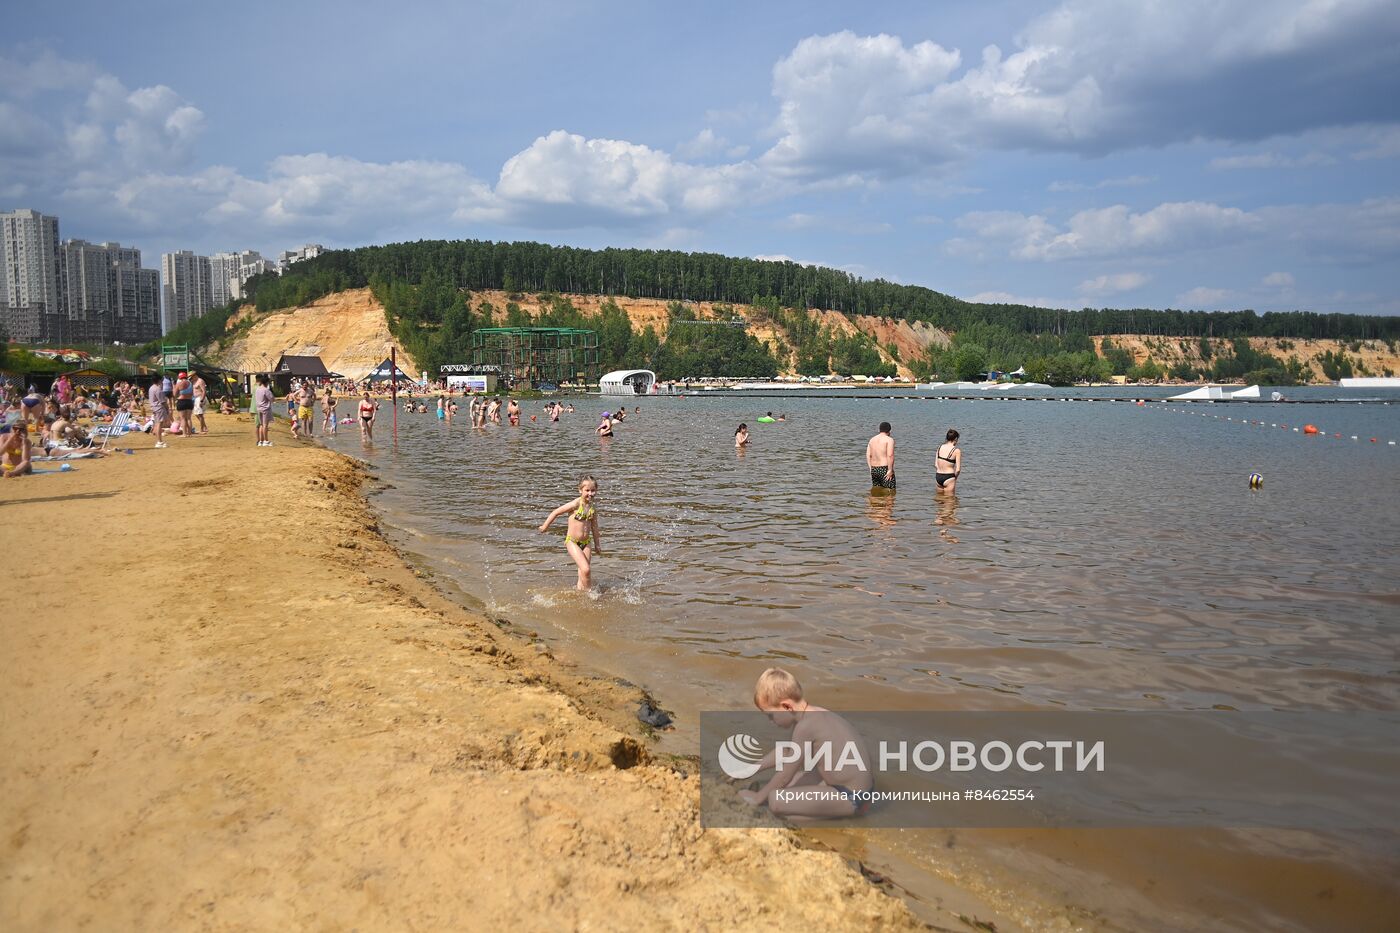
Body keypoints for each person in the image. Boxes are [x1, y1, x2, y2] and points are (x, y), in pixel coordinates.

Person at [737, 668, 873, 819]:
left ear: (787, 706)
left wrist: (757, 798)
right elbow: (787, 753)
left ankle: (815, 818)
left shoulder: (805, 727)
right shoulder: (816, 713)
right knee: (787, 787)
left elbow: (785, 776)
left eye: (771, 715)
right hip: (860, 789)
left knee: (775, 800)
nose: (771, 722)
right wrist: (749, 769)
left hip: (851, 798)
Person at [538, 475, 603, 591]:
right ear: (580, 490)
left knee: (583, 572)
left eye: (593, 490)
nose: (590, 493)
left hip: (586, 542)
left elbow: (594, 527)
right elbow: (556, 512)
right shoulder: (575, 504)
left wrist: (597, 544)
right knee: (586, 569)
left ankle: (580, 592)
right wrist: (545, 526)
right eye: (587, 490)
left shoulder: (593, 507)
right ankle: (590, 595)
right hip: (572, 542)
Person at [866, 422, 895, 489]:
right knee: (889, 493)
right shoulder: (889, 440)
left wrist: (871, 469)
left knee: (876, 491)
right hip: (884, 469)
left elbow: (868, 455)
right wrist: (890, 470)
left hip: (874, 469)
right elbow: (890, 455)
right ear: (889, 430)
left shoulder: (872, 440)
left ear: (879, 430)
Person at [935, 428, 962, 493]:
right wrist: (954, 478)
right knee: (950, 501)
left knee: (939, 500)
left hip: (938, 476)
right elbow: (958, 469)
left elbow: (936, 465)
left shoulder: (940, 447)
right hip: (949, 477)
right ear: (955, 439)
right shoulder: (956, 451)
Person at [254, 375, 275, 446]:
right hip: (265, 409)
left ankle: (261, 441)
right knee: (265, 425)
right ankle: (266, 440)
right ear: (266, 382)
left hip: (259, 408)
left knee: (261, 425)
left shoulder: (257, 389)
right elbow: (272, 399)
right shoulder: (266, 390)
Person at [148, 378, 168, 448]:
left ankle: (159, 441)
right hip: (159, 408)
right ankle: (159, 441)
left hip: (154, 408)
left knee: (157, 424)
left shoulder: (151, 388)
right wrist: (167, 409)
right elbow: (163, 401)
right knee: (159, 424)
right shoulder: (158, 389)